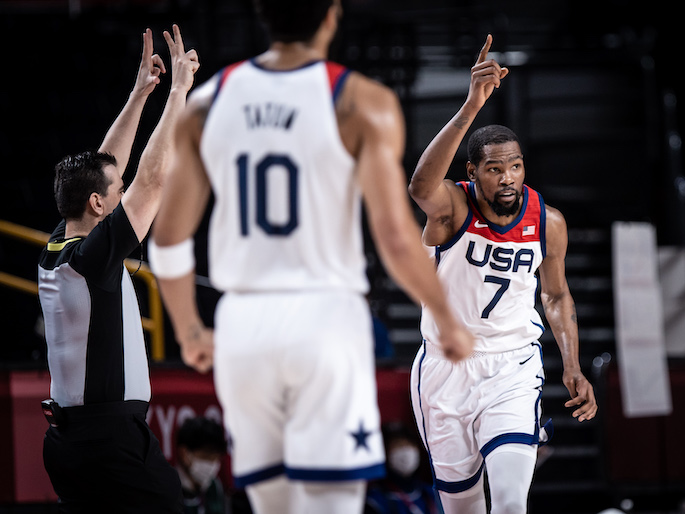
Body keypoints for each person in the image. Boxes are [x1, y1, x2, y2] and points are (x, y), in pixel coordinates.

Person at [147, 1, 473, 513]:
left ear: (261, 16)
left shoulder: (208, 102)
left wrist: (189, 329)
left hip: (244, 323)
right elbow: (393, 236)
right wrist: (447, 318)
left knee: (271, 505)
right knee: (332, 504)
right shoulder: (363, 101)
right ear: (331, 16)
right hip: (325, 318)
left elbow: (167, 238)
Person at [407, 35, 598, 513]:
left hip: (513, 366)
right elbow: (419, 186)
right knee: (463, 508)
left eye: (515, 166)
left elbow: (555, 296)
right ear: (473, 173)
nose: (509, 177)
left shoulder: (547, 220)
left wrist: (571, 363)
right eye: (495, 169)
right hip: (445, 369)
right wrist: (472, 105)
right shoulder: (453, 208)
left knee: (512, 502)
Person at [37, 25, 199, 513]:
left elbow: (107, 167)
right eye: (115, 192)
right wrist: (177, 96)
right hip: (109, 442)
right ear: (97, 205)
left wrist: (138, 95)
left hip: (70, 442)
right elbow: (149, 178)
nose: (122, 191)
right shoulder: (92, 261)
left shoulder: (59, 247)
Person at [364, 423, 440, 514]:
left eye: (409, 444)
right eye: (397, 445)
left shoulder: (432, 493)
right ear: (385, 453)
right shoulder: (374, 501)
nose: (405, 451)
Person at [175, 416, 231, 514]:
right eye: (206, 456)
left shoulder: (215, 488)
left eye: (216, 458)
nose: (213, 465)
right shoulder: (167, 488)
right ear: (184, 453)